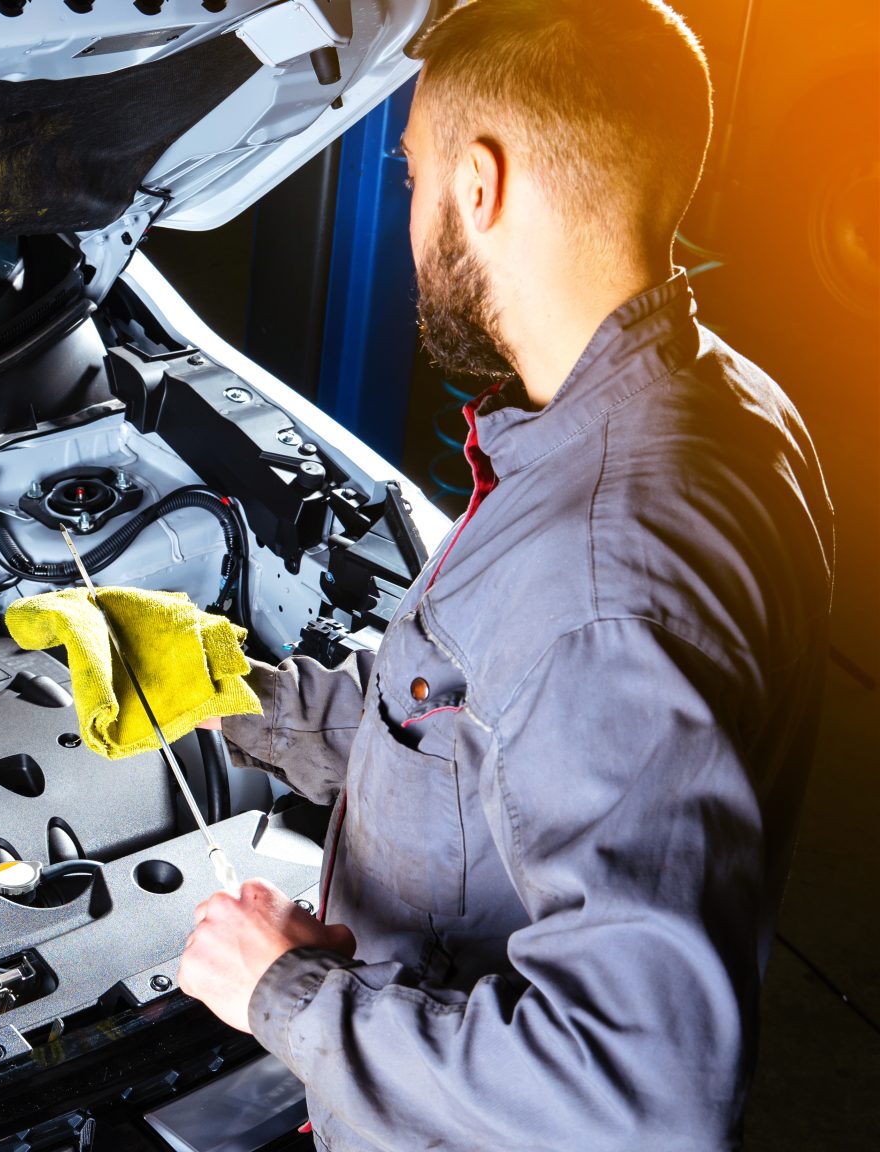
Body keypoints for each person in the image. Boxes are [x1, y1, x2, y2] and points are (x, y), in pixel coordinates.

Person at [175, 1, 836, 1148]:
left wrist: (281, 992)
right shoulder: (729, 406)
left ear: (478, 185)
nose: (412, 209)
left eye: (412, 173)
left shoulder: (598, 580)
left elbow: (644, 1098)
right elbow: (483, 737)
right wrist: (244, 697)